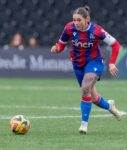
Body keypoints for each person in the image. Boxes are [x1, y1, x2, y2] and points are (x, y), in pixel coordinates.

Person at [51, 5, 122, 134]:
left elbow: (115, 44)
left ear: (87, 19)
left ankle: (84, 125)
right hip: (77, 64)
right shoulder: (69, 28)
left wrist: (112, 63)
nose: (76, 23)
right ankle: (110, 106)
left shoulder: (96, 30)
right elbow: (61, 44)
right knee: (92, 97)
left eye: (79, 20)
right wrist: (56, 49)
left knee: (85, 87)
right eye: (74, 20)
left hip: (94, 62)